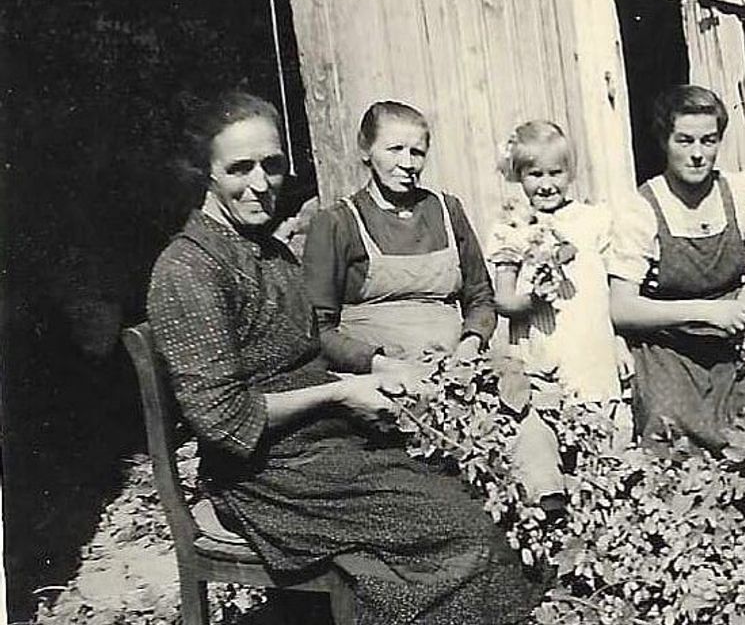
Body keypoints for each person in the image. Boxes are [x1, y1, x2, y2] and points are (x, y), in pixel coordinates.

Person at [148, 91, 543, 624]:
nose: (261, 184)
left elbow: (311, 342)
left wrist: (383, 368)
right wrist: (340, 392)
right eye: (240, 169)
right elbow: (224, 420)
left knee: (474, 486)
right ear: (205, 172)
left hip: (323, 449)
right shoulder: (188, 270)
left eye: (273, 165)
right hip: (266, 480)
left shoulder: (269, 251)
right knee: (465, 530)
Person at [608, 85, 745, 452]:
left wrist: (744, 302)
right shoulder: (642, 209)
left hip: (733, 344)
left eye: (709, 140)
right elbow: (621, 308)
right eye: (684, 141)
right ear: (664, 141)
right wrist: (707, 311)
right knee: (670, 430)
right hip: (670, 350)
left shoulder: (741, 193)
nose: (698, 154)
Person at [487, 120, 633, 502]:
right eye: (535, 174)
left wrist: (619, 343)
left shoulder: (593, 220)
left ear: (571, 172)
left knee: (605, 437)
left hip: (592, 344)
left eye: (556, 172)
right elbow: (502, 299)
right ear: (519, 176)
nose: (546, 183)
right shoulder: (513, 226)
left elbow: (609, 293)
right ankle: (554, 507)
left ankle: (606, 505)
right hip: (544, 341)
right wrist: (530, 299)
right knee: (548, 424)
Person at [303, 101, 495, 376]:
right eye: (394, 150)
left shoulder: (447, 210)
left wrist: (470, 345)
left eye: (417, 152)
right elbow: (317, 329)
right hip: (377, 380)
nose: (407, 164)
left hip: (457, 371)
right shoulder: (337, 222)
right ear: (366, 150)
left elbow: (481, 297)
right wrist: (381, 364)